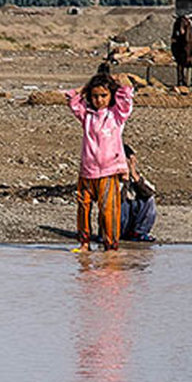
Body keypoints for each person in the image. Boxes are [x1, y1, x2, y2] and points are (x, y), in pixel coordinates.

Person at [66, 63, 134, 251]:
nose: (99, 100)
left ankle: (110, 246)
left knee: (108, 211)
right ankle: (84, 243)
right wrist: (85, 88)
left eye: (103, 96)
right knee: (83, 208)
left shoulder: (116, 116)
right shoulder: (86, 116)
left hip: (109, 171)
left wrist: (117, 85)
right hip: (87, 171)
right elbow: (72, 100)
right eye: (95, 96)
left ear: (111, 96)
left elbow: (126, 99)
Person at [120, 143, 157, 242]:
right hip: (119, 224)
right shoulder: (111, 179)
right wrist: (125, 180)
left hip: (131, 220)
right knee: (120, 203)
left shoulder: (136, 176)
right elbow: (119, 197)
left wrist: (134, 176)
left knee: (149, 200)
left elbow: (150, 192)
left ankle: (139, 233)